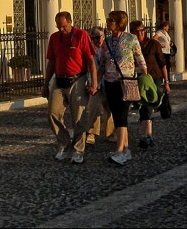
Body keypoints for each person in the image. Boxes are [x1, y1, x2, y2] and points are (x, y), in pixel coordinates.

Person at [42, 11, 97, 164]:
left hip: (77, 79)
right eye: (58, 27)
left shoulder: (81, 35)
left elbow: (90, 61)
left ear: (70, 23)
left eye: (64, 26)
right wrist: (46, 84)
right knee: (52, 113)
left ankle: (78, 150)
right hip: (59, 80)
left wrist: (94, 83)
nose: (61, 29)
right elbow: (51, 62)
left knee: (78, 118)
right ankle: (65, 143)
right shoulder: (54, 38)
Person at [96, 10, 146, 166]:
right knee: (117, 115)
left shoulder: (131, 39)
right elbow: (102, 64)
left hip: (126, 82)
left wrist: (145, 78)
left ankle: (120, 150)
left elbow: (140, 60)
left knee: (122, 115)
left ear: (119, 22)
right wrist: (95, 82)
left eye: (111, 20)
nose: (108, 22)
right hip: (109, 83)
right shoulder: (107, 41)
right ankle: (125, 149)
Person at [130, 20, 168, 149]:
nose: (140, 33)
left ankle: (145, 136)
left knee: (148, 106)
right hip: (138, 79)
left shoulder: (153, 44)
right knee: (143, 107)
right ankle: (148, 135)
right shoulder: (130, 45)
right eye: (137, 31)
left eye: (142, 30)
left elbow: (162, 63)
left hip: (154, 78)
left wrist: (166, 82)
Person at [85, 26, 114, 145]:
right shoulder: (89, 49)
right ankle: (91, 133)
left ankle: (110, 132)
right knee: (94, 107)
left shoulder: (109, 48)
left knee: (109, 108)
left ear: (104, 36)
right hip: (94, 82)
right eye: (95, 38)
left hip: (107, 81)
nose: (98, 40)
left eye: (100, 37)